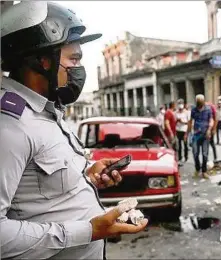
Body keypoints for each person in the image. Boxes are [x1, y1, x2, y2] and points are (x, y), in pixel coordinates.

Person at [0, 2, 147, 259]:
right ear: (43, 60)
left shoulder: (47, 110)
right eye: (74, 59)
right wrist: (87, 231)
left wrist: (88, 177)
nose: (79, 69)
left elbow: (38, 194)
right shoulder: (10, 126)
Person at [186, 94, 214, 179]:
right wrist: (187, 133)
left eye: (201, 102)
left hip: (205, 135)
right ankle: (197, 169)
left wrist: (209, 129)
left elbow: (211, 120)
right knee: (195, 153)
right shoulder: (193, 110)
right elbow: (190, 122)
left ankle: (204, 171)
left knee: (205, 154)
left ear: (203, 101)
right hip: (196, 135)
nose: (200, 104)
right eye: (198, 102)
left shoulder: (208, 109)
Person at [175, 99, 190, 164]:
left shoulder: (187, 112)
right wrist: (177, 121)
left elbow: (189, 122)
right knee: (179, 145)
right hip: (178, 130)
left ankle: (186, 157)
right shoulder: (176, 112)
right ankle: (180, 157)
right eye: (179, 103)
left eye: (181, 103)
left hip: (184, 130)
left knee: (185, 144)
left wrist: (182, 122)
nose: (180, 105)